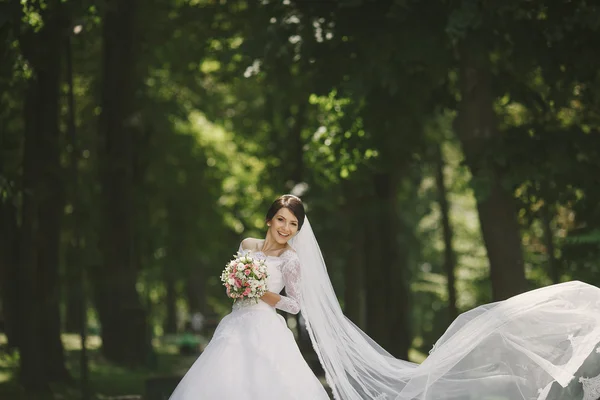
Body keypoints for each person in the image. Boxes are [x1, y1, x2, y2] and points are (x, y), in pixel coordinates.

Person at [169, 195, 600, 400]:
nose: (286, 228)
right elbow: (233, 285)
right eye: (281, 220)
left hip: (266, 329)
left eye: (293, 224)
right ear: (268, 220)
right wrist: (238, 286)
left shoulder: (294, 263)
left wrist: (263, 294)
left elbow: (296, 305)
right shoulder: (246, 247)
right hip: (234, 327)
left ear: (298, 230)